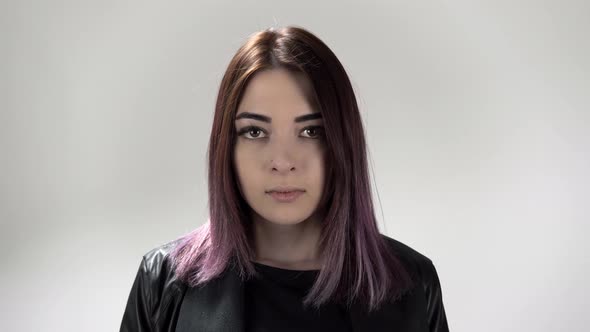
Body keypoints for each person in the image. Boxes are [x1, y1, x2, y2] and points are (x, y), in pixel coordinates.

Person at [120, 25, 449, 332]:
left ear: (342, 143)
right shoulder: (164, 282)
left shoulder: (412, 284)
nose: (282, 162)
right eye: (254, 131)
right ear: (227, 147)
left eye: (310, 131)